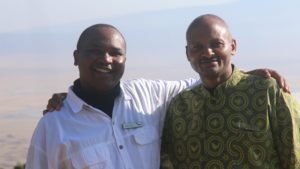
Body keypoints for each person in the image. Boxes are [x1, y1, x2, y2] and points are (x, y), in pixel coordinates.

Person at [34, 23, 289, 169]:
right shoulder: (54, 126)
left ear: (124, 59)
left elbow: (205, 80)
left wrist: (241, 74)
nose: (106, 60)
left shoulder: (149, 95)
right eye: (95, 51)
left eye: (115, 52)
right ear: (76, 57)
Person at [160, 14, 300, 169]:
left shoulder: (268, 92)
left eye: (216, 44)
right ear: (188, 53)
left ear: (232, 46)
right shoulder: (179, 106)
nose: (207, 52)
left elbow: (295, 155)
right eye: (197, 47)